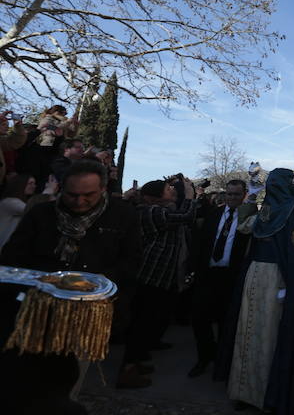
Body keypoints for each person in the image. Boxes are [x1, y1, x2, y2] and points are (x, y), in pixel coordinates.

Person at [0, 159, 141, 412]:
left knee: (69, 383)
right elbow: (12, 258)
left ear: (104, 190)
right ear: (61, 189)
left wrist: (92, 285)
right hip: (35, 311)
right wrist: (50, 281)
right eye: (72, 195)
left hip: (88, 314)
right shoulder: (40, 214)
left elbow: (131, 263)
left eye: (89, 195)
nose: (79, 202)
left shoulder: (124, 216)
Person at [218, 168, 294, 414]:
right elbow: (246, 227)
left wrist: (290, 285)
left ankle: (263, 393)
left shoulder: (292, 209)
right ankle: (244, 391)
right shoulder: (273, 208)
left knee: (266, 334)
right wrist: (250, 199)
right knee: (249, 330)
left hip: (271, 278)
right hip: (261, 276)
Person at [119, 178, 197, 388]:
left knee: (147, 323)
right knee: (140, 325)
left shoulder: (158, 210)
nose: (171, 190)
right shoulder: (152, 211)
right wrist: (189, 196)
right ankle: (127, 371)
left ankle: (136, 362)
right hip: (148, 276)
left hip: (157, 276)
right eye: (167, 189)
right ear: (153, 197)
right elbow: (186, 216)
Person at [188, 179, 254, 378]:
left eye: (236, 194)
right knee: (200, 318)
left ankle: (223, 361)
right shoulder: (214, 214)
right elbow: (201, 242)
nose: (231, 198)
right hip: (207, 274)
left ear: (243, 195)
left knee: (226, 321)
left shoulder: (247, 217)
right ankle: (204, 357)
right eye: (229, 194)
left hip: (230, 277)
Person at [0, 174, 36, 249]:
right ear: (20, 184)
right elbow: (34, 210)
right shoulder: (10, 202)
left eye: (34, 183)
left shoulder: (19, 202)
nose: (34, 186)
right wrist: (48, 191)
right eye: (30, 183)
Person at [0, 111, 27, 191]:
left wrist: (18, 126)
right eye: (3, 125)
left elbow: (15, 141)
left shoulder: (2, 141)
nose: (7, 128)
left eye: (8, 125)